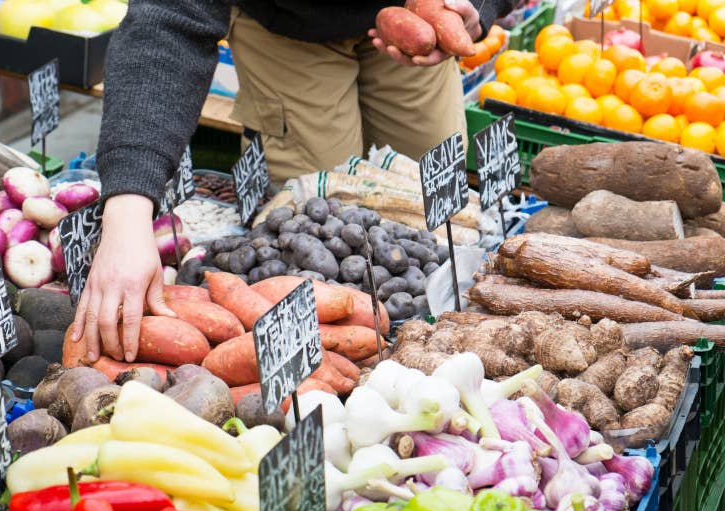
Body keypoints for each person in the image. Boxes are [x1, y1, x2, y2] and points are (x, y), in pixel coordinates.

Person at [71, 0, 517, 363]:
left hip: (417, 14)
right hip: (288, 28)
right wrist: (128, 213)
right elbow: (169, 20)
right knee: (317, 232)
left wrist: (479, 6)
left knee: (447, 219)